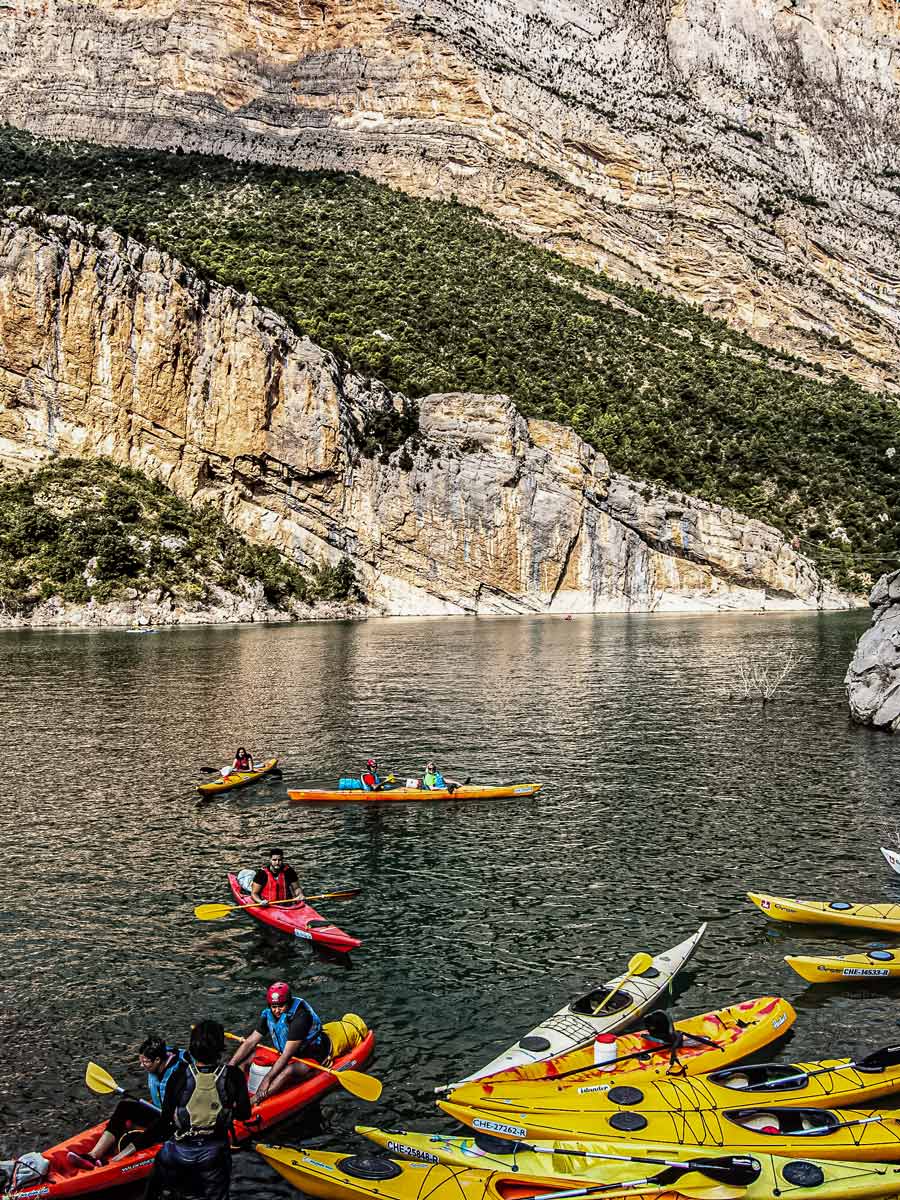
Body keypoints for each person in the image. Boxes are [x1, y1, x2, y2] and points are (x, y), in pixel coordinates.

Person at [144, 1019, 251, 1200]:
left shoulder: (178, 1076)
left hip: (175, 1154)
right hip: (213, 1156)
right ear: (220, 1048)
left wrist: (135, 1145)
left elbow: (165, 1120)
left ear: (192, 1047)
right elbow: (244, 1114)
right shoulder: (234, 1076)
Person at [67, 1036, 184, 1169]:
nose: (141, 1065)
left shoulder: (178, 1075)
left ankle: (117, 1162)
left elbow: (166, 1119)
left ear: (158, 1060)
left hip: (177, 1122)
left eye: (145, 1062)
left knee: (158, 1126)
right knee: (124, 1106)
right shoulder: (160, 1053)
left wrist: (128, 1151)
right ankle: (93, 1155)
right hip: (160, 1110)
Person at [228, 982, 329, 1102]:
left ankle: (254, 1100)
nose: (277, 1010)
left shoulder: (301, 1017)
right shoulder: (269, 1014)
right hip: (286, 1053)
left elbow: (287, 1055)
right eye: (273, 1006)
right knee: (249, 1058)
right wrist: (230, 1065)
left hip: (311, 1054)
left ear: (289, 1002)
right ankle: (236, 1090)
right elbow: (251, 1041)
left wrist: (267, 1079)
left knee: (287, 1071)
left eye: (281, 1006)